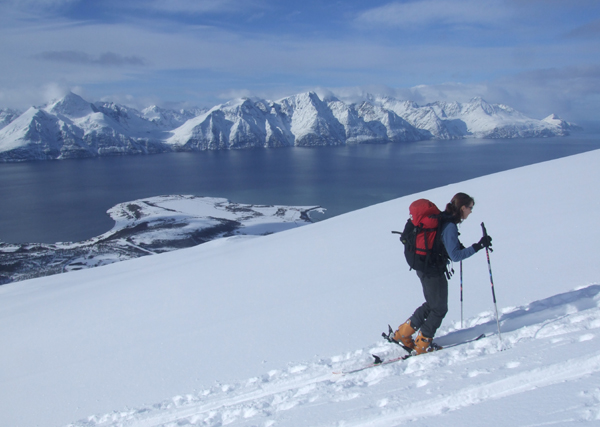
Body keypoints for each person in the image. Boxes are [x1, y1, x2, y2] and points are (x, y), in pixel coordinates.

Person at [393, 192, 492, 354]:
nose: (471, 211)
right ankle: (423, 343)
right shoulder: (450, 225)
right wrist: (478, 246)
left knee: (432, 304)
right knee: (439, 309)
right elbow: (456, 256)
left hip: (423, 266)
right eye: (470, 208)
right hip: (433, 270)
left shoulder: (444, 219)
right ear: (462, 207)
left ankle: (403, 334)